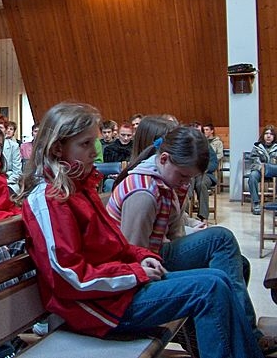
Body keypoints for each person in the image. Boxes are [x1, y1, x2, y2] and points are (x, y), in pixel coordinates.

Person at [16, 101, 264, 358]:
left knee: (219, 279)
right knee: (209, 289)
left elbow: (116, 243)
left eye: (94, 142)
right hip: (96, 309)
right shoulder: (50, 199)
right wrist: (135, 273)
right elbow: (68, 276)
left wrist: (141, 257)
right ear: (58, 147)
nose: (94, 151)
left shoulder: (78, 187)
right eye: (85, 144)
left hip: (115, 294)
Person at [107, 124, 275, 353]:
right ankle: (248, 340)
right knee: (220, 241)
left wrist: (191, 227)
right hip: (136, 274)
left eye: (191, 179)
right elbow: (132, 253)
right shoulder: (143, 193)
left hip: (153, 255)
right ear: (163, 159)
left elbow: (174, 231)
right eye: (184, 176)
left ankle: (241, 341)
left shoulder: (163, 180)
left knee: (238, 264)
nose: (186, 184)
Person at [247, 125, 277, 215]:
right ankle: (256, 203)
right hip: (260, 171)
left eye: (271, 134)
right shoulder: (257, 147)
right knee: (252, 176)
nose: (268, 136)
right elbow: (253, 161)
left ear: (274, 136)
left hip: (275, 171)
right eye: (266, 133)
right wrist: (261, 168)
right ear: (263, 135)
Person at [0, 114, 22, 195]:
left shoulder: (14, 146)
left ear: (6, 130)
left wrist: (4, 181)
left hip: (9, 182)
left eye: (0, 128)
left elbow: (17, 172)